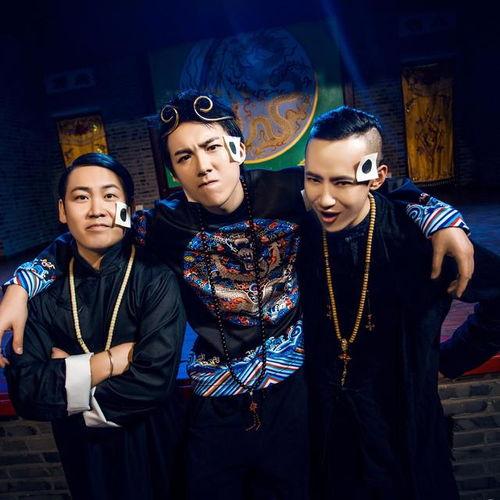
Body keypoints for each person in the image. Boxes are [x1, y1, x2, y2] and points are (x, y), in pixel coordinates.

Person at [0, 91, 474, 500]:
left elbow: (371, 189)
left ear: (238, 148)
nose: (203, 165)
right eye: (184, 157)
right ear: (173, 170)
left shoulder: (293, 190)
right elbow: (89, 229)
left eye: (211, 147)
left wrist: (441, 218)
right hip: (215, 395)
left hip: (293, 388)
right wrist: (21, 284)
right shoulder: (160, 223)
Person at [300, 106, 500, 500]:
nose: (324, 199)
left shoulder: (419, 239)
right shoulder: (301, 229)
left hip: (403, 436)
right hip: (329, 440)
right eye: (313, 179)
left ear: (376, 177)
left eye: (342, 182)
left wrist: (453, 357)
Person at [5, 153, 186, 500]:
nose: (96, 210)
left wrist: (68, 379)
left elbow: (155, 380)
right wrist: (108, 363)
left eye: (109, 195)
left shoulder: (155, 276)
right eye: (81, 197)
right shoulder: (38, 291)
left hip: (155, 439)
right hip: (82, 451)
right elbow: (27, 391)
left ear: (127, 208)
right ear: (62, 210)